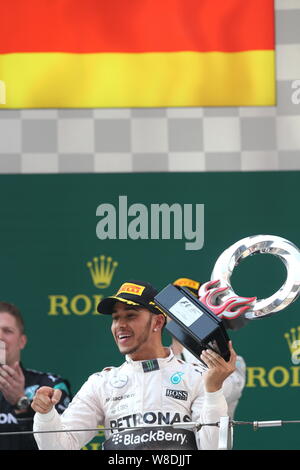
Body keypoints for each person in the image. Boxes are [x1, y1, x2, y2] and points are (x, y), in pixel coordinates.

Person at [32, 280, 236, 450]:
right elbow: (59, 446)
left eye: (130, 315)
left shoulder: (196, 377)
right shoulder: (101, 383)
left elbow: (215, 447)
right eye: (115, 318)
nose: (120, 325)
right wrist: (46, 415)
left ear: (157, 322)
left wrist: (213, 392)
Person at [0, 301, 72, 450]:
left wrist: (21, 403)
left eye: (7, 331)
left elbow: (59, 444)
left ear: (22, 341)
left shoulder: (50, 385)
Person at [171, 278, 246, 419]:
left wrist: (194, 342)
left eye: (189, 305)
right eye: (175, 304)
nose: (180, 311)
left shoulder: (230, 360)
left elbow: (217, 393)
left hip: (212, 439)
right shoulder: (160, 358)